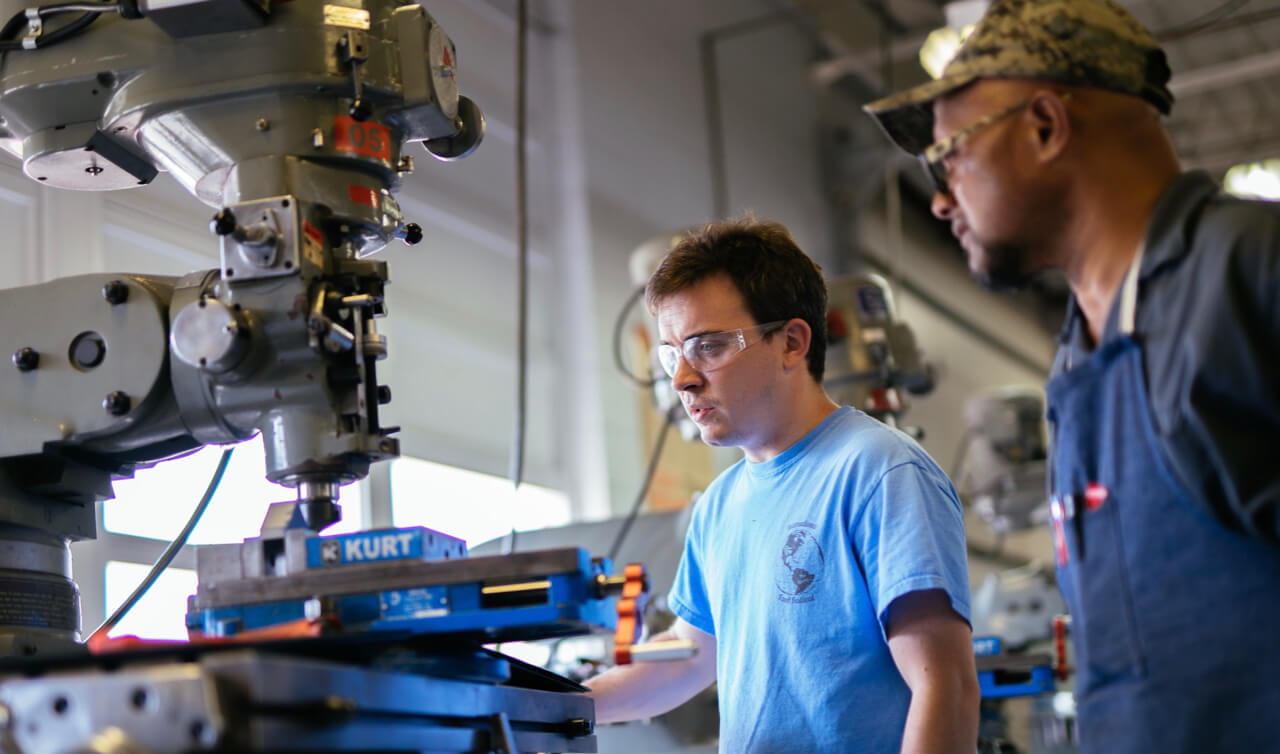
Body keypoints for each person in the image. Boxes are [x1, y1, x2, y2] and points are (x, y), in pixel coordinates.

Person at [864, 1, 1280, 752]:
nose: (938, 197)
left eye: (949, 155)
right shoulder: (1080, 360)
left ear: (1046, 126)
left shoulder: (1247, 275)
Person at [586, 218, 979, 753]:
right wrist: (561, 704)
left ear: (792, 342)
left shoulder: (878, 472)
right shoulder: (719, 507)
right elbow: (690, 651)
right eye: (673, 353)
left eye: (707, 346)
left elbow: (946, 686)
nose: (681, 378)